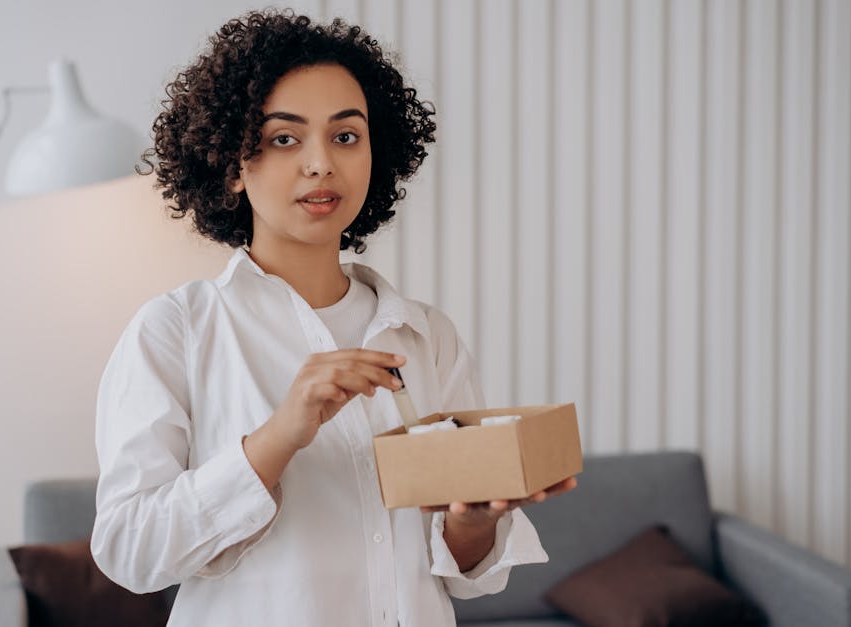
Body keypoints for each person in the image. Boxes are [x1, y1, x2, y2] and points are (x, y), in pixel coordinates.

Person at [90, 9, 577, 626]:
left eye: (346, 136)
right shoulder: (176, 331)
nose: (321, 163)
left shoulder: (427, 337)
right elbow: (130, 551)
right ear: (233, 164)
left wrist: (471, 519)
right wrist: (279, 436)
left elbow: (466, 575)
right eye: (284, 138)